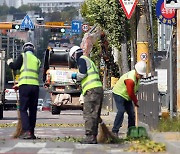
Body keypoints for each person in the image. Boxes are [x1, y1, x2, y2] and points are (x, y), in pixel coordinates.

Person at [69, 46, 103, 144]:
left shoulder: (81, 60)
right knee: (95, 115)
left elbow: (82, 74)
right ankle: (93, 137)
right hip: (98, 89)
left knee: (89, 114)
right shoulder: (89, 60)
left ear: (74, 55)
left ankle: (89, 137)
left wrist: (73, 76)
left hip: (91, 90)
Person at [7, 42, 41, 139]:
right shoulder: (37, 60)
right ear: (33, 50)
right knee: (33, 110)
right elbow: (33, 73)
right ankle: (32, 132)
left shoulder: (23, 56)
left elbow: (15, 67)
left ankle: (26, 131)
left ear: (24, 49)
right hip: (35, 87)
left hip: (25, 86)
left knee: (23, 109)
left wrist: (9, 62)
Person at [111, 61, 147, 137]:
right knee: (121, 110)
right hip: (119, 93)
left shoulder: (137, 77)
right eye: (140, 75)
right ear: (136, 72)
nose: (141, 76)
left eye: (141, 75)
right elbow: (130, 92)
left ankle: (131, 131)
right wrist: (136, 101)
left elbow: (133, 91)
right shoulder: (130, 79)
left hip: (127, 96)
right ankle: (114, 131)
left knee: (131, 113)